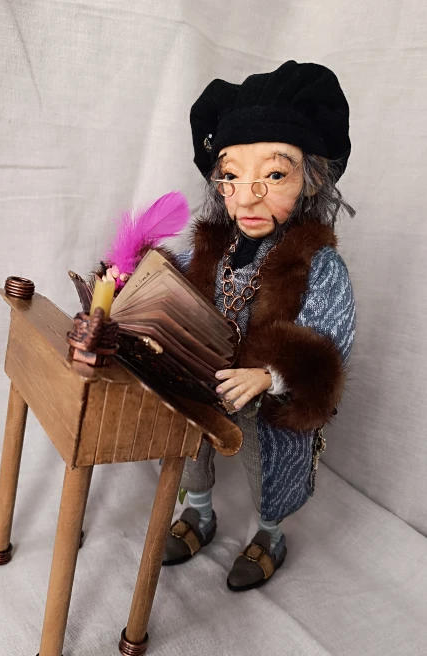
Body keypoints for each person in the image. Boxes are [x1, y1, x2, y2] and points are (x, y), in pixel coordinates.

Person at [161, 60, 356, 591]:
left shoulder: (317, 265)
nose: (246, 196)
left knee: (266, 466)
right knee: (190, 447)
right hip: (204, 380)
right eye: (230, 176)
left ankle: (270, 535)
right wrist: (130, 282)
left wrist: (271, 375)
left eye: (273, 175)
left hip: (262, 400)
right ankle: (199, 512)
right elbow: (175, 280)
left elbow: (330, 343)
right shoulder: (213, 249)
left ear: (312, 178)